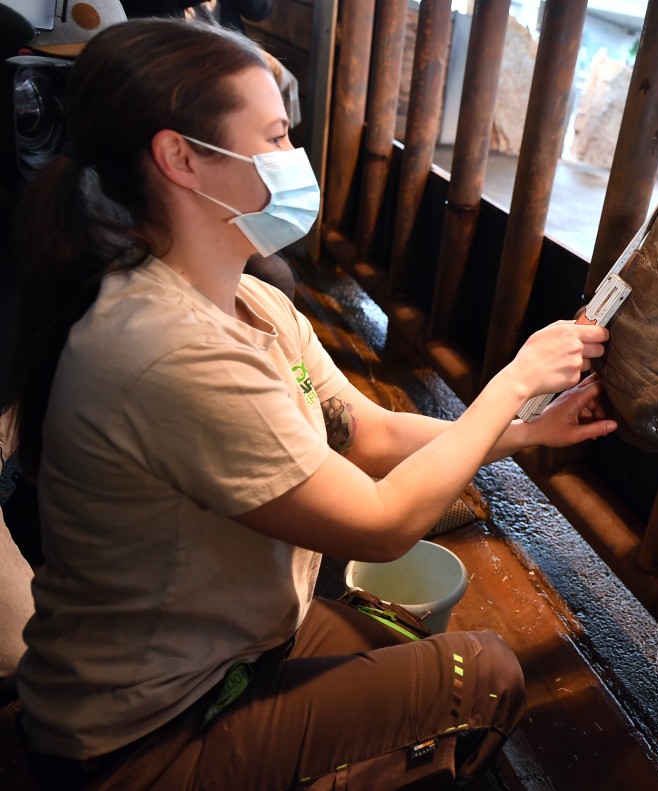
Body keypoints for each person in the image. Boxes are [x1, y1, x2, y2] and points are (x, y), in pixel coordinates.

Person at [7, 18, 616, 789]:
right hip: (141, 733)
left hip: (234, 650)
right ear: (182, 159)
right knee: (485, 673)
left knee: (395, 639)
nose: (295, 159)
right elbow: (383, 522)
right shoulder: (166, 350)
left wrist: (525, 430)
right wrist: (513, 381)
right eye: (273, 136)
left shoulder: (255, 301)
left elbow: (364, 431)